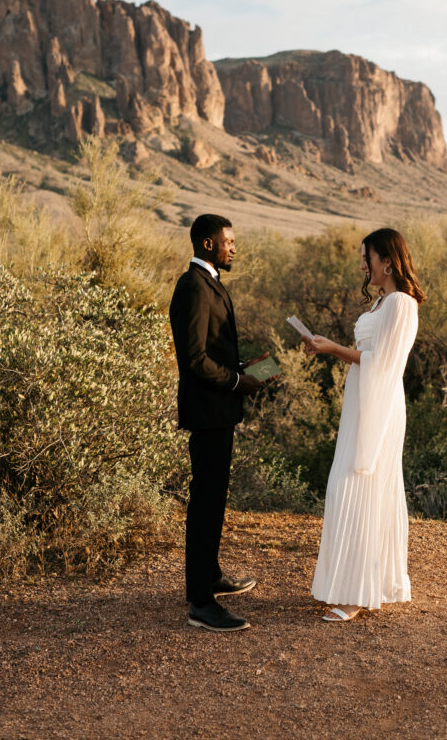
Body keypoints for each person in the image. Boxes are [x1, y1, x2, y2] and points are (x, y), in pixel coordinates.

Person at [304, 227, 425, 622]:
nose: (362, 265)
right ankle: (358, 583)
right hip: (359, 403)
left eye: (366, 257)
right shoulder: (379, 305)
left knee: (361, 487)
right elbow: (367, 355)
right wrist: (330, 347)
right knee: (347, 487)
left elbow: (386, 364)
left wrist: (335, 349)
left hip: (381, 407)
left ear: (386, 261)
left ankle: (358, 593)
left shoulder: (402, 304)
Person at [169, 213, 262, 632]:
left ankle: (210, 577)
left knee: (214, 501)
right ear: (208, 244)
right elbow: (194, 361)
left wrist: (245, 368)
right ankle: (201, 604)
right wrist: (238, 382)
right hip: (207, 414)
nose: (234, 248)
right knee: (205, 505)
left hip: (217, 412)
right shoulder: (192, 287)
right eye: (229, 241)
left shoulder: (209, 283)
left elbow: (212, 352)